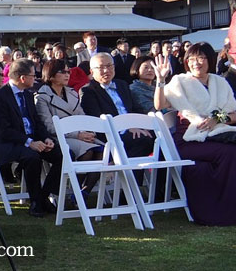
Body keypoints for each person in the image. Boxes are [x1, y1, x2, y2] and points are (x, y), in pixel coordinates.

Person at [152, 42, 236, 226]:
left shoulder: (220, 82)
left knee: (227, 151)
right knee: (229, 153)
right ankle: (224, 212)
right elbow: (160, 105)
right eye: (191, 58)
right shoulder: (180, 81)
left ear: (210, 59)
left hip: (217, 135)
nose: (196, 63)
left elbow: (233, 113)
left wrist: (218, 118)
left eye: (201, 58)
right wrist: (160, 80)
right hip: (189, 140)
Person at [0, 58, 63, 217]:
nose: (35, 78)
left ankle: (43, 197)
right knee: (32, 157)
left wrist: (46, 139)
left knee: (63, 155)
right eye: (32, 75)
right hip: (10, 143)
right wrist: (29, 142)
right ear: (22, 78)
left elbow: (36, 122)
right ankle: (36, 201)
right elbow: (3, 130)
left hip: (32, 140)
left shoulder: (28, 95)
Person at [79, 53, 156, 187]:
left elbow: (133, 109)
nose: (106, 70)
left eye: (109, 66)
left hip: (133, 131)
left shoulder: (122, 85)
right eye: (101, 67)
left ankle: (158, 191)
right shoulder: (88, 91)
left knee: (157, 138)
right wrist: (126, 127)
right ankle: (131, 190)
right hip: (110, 135)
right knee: (143, 142)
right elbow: (98, 120)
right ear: (92, 71)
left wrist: (140, 126)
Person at [34, 59, 103, 201]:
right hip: (59, 138)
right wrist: (77, 134)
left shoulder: (72, 93)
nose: (67, 75)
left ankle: (84, 191)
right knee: (88, 152)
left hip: (79, 136)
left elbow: (81, 115)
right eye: (62, 72)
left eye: (68, 71)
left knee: (103, 153)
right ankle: (77, 192)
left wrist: (88, 132)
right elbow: (49, 126)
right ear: (51, 75)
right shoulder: (42, 97)